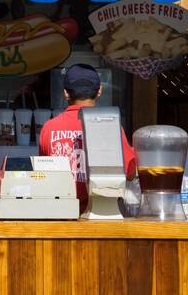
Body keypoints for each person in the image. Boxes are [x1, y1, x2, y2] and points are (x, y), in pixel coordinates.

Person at [38, 63, 137, 211]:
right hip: (101, 215)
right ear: (99, 91)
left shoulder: (49, 128)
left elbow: (42, 175)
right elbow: (130, 172)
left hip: (59, 216)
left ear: (66, 93)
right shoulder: (110, 125)